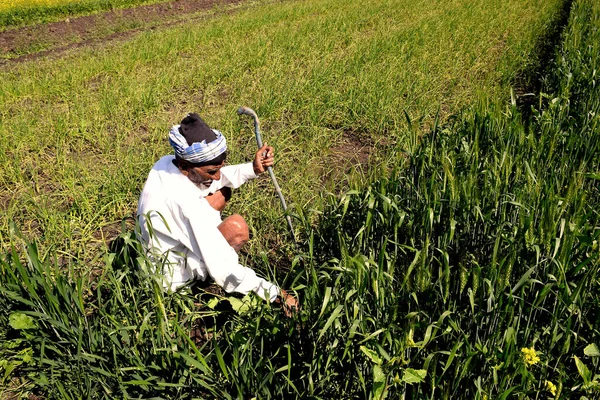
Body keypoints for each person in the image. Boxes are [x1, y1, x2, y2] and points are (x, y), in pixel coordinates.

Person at [137, 113, 298, 315]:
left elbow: (215, 179)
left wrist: (253, 168)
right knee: (237, 228)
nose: (217, 176)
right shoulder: (184, 205)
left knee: (221, 194)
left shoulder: (168, 163)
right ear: (186, 168)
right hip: (169, 279)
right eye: (212, 171)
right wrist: (276, 294)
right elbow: (222, 266)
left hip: (157, 251)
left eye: (219, 168)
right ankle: (196, 288)